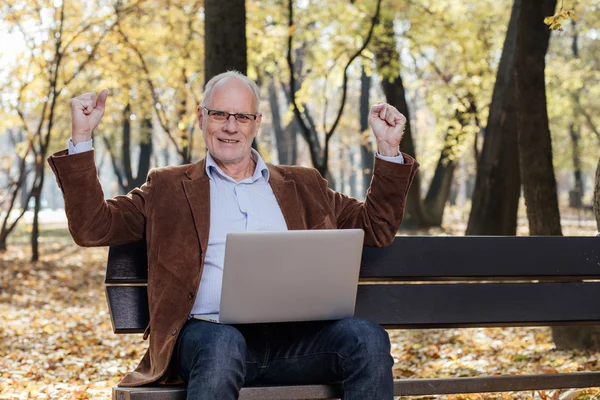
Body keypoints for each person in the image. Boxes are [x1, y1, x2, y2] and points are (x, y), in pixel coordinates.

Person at [48, 71, 419, 400]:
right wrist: (82, 138)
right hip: (208, 339)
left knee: (367, 338)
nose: (231, 126)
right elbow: (92, 227)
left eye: (241, 116)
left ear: (256, 123)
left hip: (298, 343)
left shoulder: (305, 185)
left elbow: (376, 228)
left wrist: (388, 150)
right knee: (224, 343)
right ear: (201, 117)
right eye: (220, 114)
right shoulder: (167, 188)